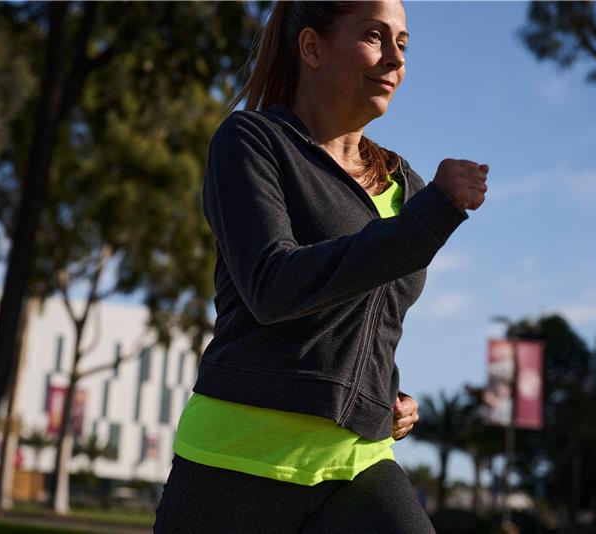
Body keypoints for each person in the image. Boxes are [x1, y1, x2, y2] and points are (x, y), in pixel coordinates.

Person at [153, 1, 488, 532]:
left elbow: (367, 315)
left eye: (402, 43)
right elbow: (273, 285)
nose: (394, 59)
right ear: (312, 47)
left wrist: (383, 393)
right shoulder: (252, 142)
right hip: (239, 458)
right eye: (375, 37)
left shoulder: (408, 187)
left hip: (358, 463)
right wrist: (424, 224)